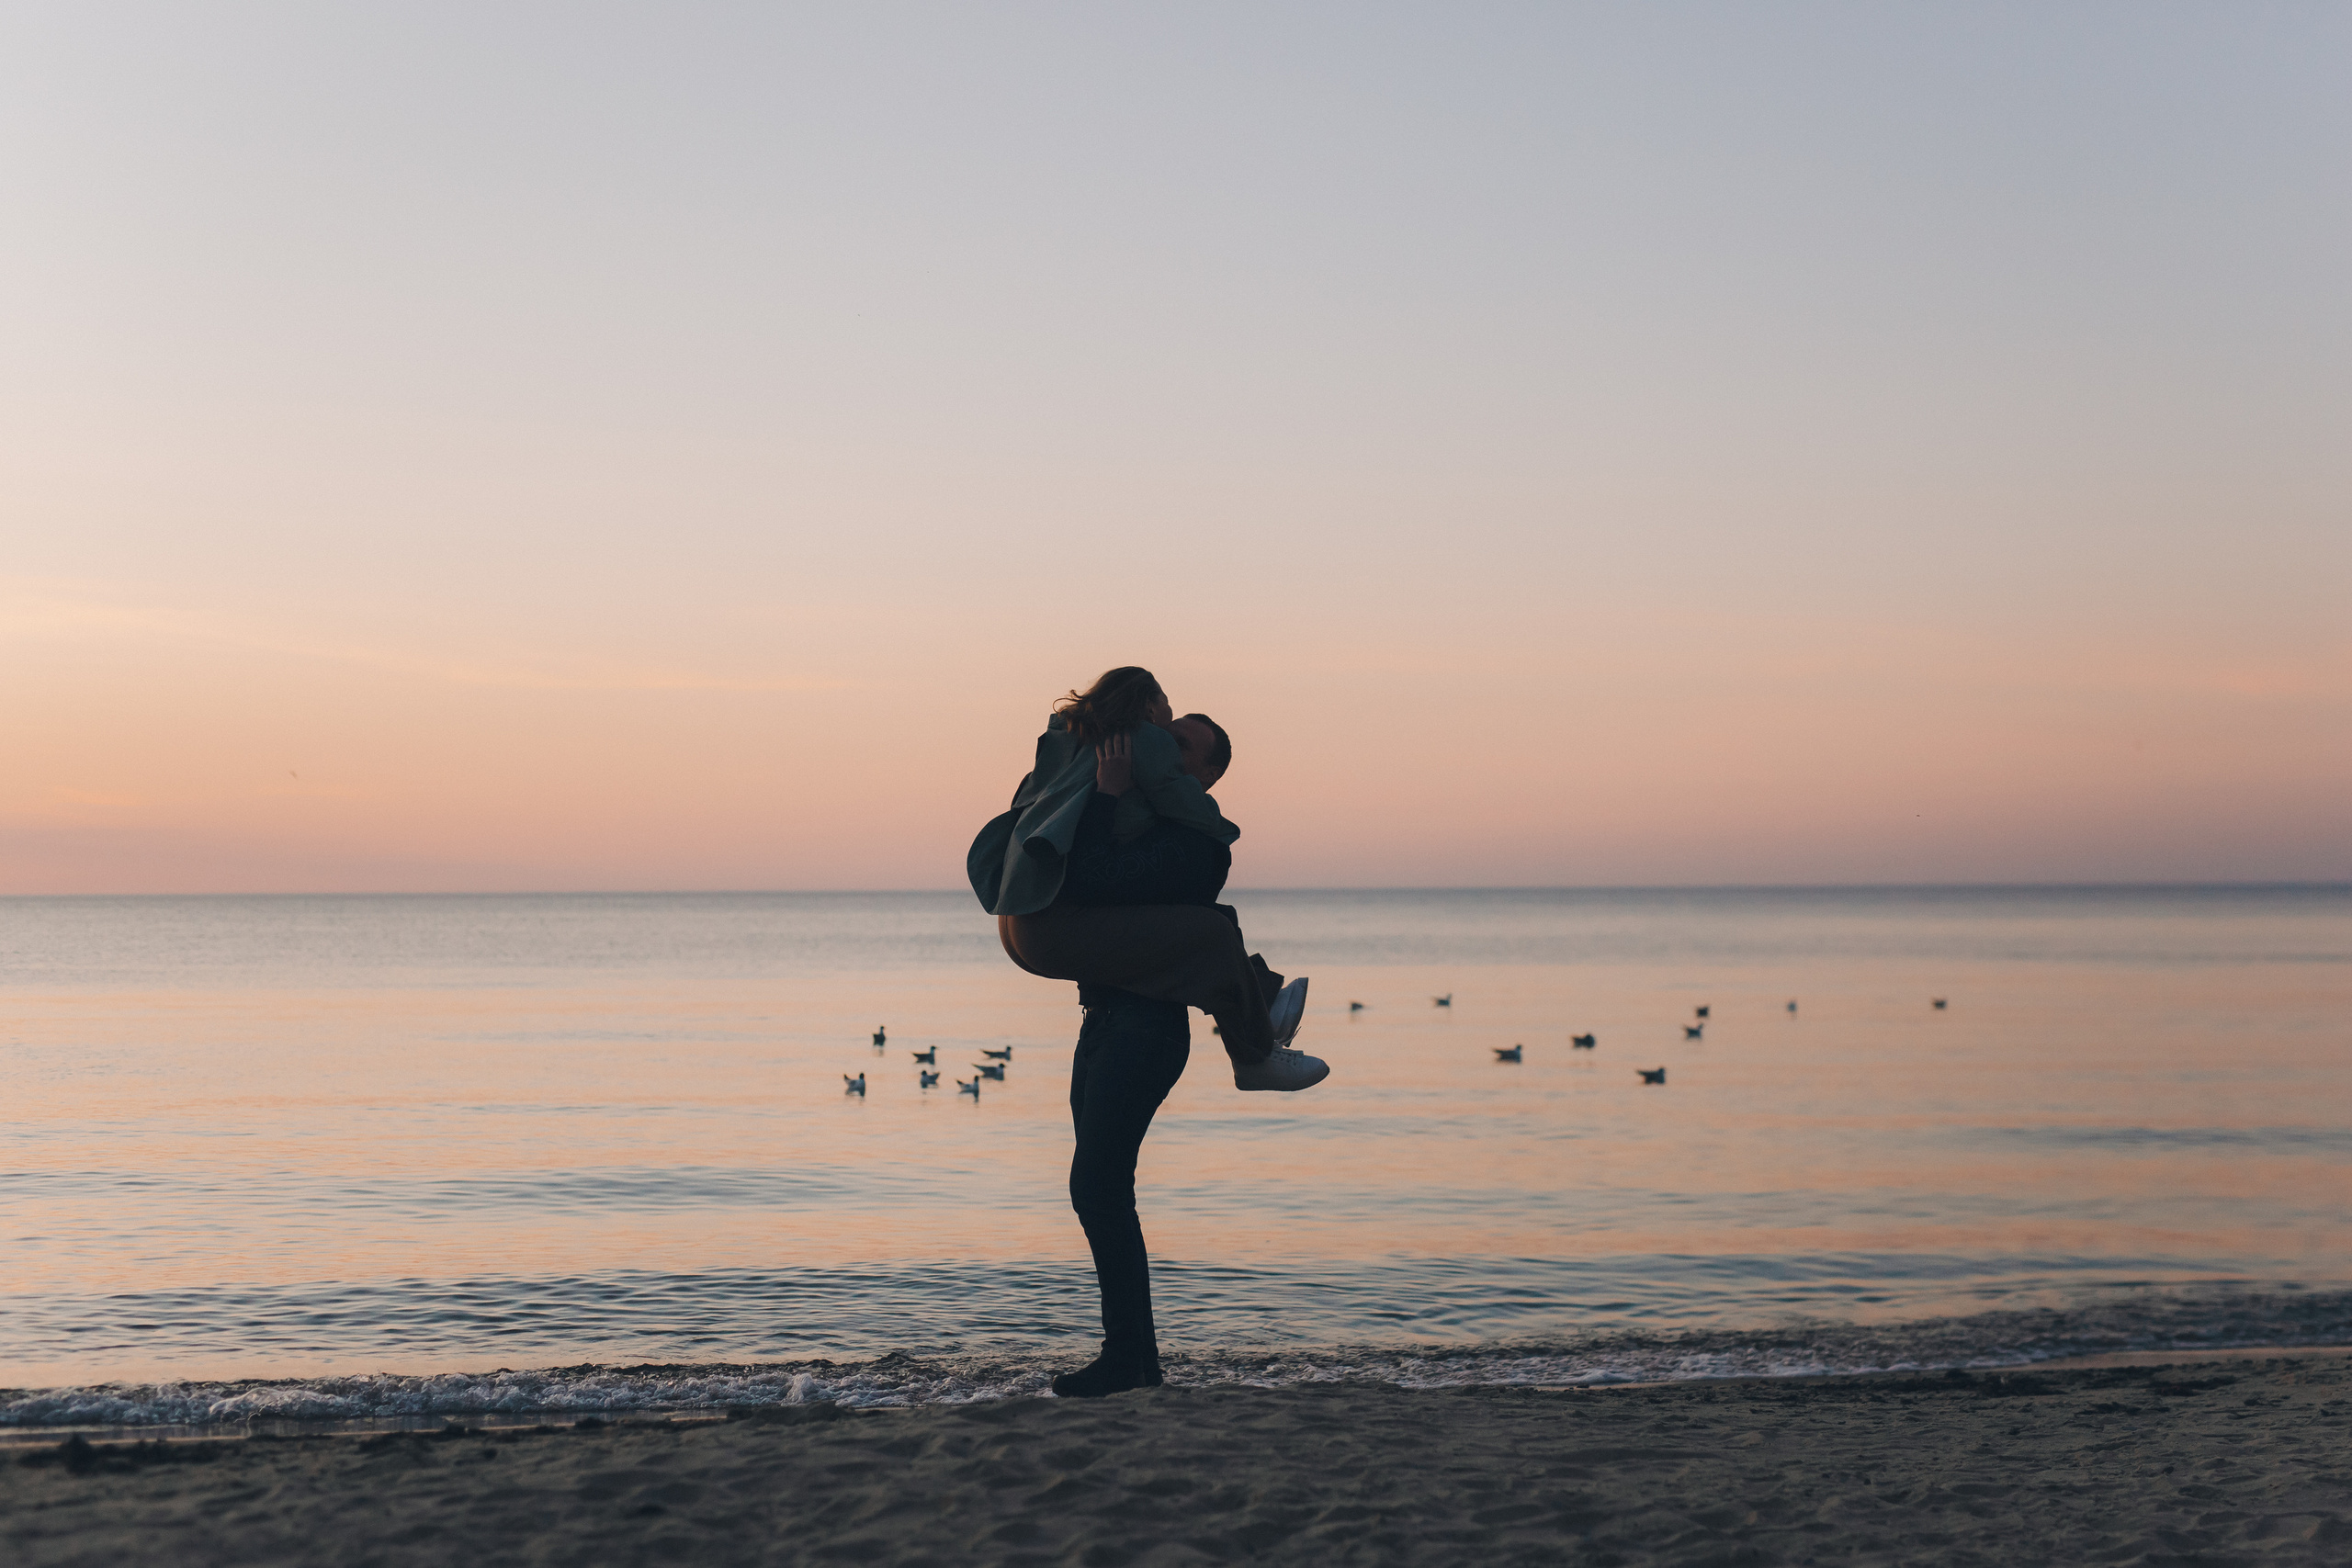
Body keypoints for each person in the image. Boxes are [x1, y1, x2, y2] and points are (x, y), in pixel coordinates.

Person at [969, 667, 1325, 1091]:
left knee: (1216, 920)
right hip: (1050, 927)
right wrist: (1221, 828)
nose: (1166, 742)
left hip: (1020, 917)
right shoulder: (1142, 748)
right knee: (1211, 930)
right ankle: (1254, 1056)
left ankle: (1262, 1002)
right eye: (1167, 723)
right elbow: (1166, 806)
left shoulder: (1073, 742)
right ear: (1149, 707)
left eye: (1181, 744)